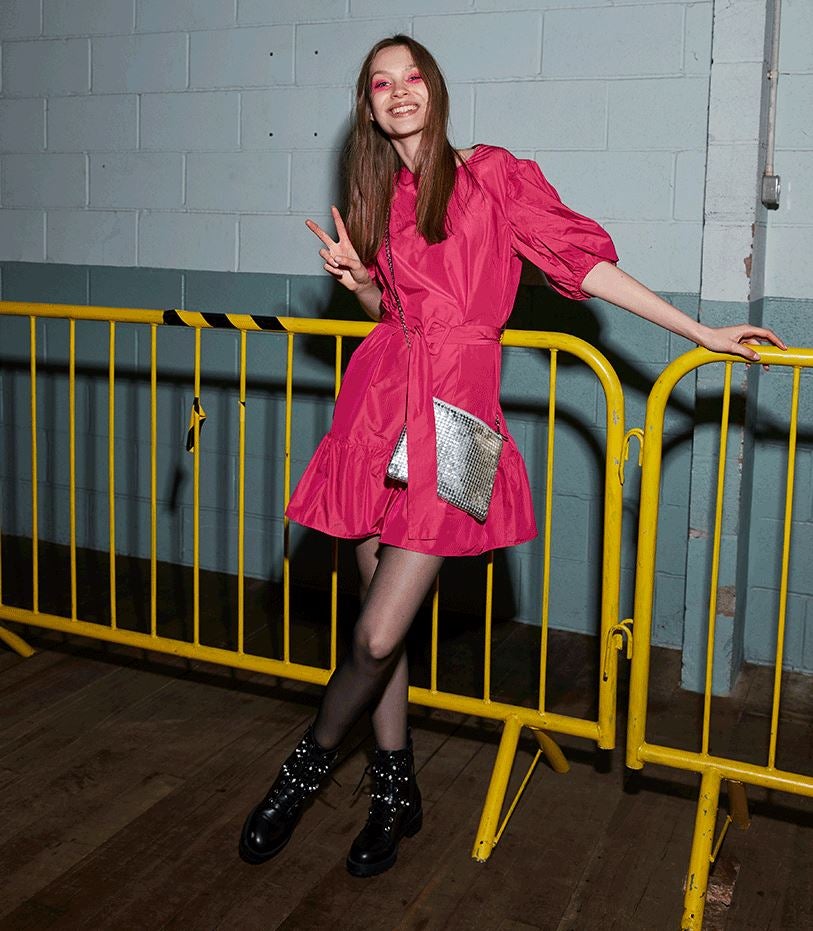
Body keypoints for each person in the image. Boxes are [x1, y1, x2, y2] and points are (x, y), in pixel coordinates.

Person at [239, 34, 785, 877]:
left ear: (435, 88)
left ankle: (302, 769)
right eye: (380, 84)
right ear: (368, 105)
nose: (398, 93)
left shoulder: (491, 175)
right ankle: (395, 792)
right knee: (383, 632)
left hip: (459, 419)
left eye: (410, 77)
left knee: (377, 633)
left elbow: (587, 268)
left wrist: (700, 331)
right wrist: (358, 284)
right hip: (377, 407)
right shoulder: (381, 192)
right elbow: (395, 305)